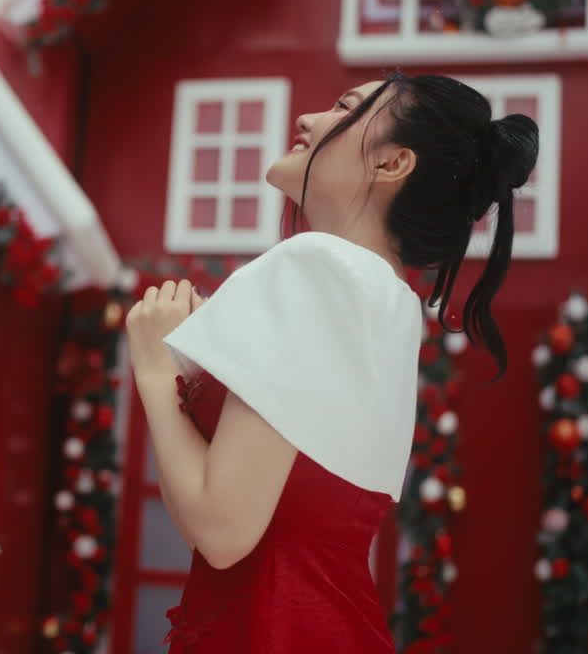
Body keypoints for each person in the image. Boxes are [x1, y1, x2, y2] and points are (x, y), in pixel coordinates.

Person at [124, 71, 538, 652]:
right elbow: (218, 516)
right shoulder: (390, 301)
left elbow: (220, 530)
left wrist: (153, 369)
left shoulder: (316, 265)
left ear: (393, 164)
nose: (307, 119)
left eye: (344, 107)